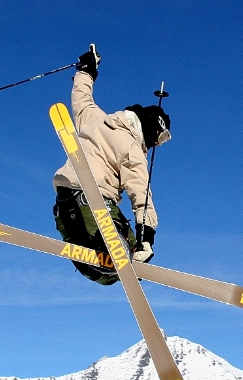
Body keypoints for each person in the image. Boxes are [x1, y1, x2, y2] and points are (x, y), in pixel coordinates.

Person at [52, 45, 170, 285]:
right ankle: (116, 247)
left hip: (65, 205)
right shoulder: (132, 147)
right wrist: (147, 236)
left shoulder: (96, 119)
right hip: (96, 206)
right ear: (152, 130)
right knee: (129, 248)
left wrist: (87, 71)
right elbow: (141, 192)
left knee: (104, 276)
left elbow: (82, 100)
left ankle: (101, 259)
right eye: (159, 139)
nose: (156, 146)